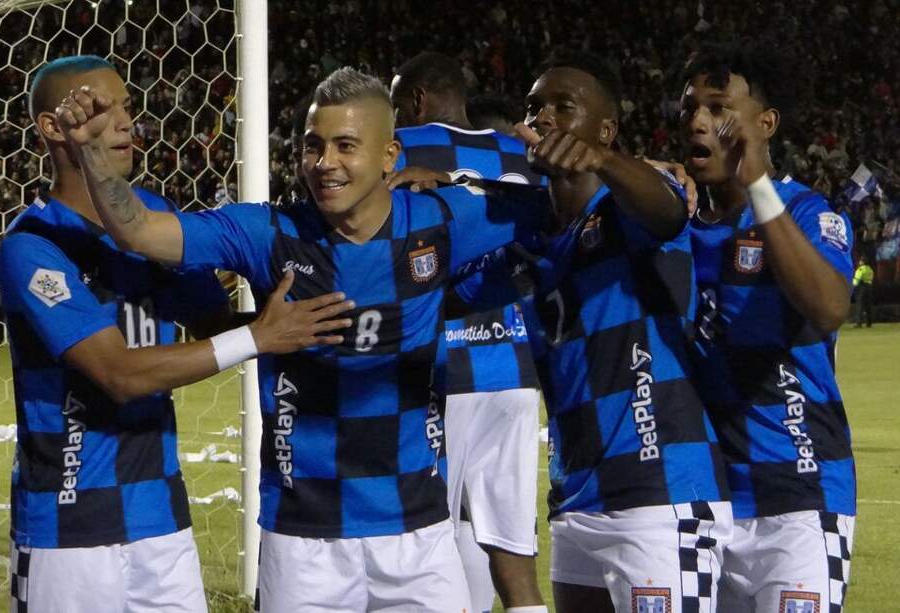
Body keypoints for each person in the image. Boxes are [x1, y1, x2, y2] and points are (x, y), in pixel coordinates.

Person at [57, 66, 553, 613]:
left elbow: (561, 201)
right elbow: (138, 230)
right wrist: (93, 158)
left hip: (416, 533)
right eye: (313, 146)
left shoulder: (441, 219)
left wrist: (613, 165)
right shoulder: (269, 233)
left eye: (345, 146)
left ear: (390, 156)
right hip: (302, 538)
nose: (325, 163)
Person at [0, 55, 354, 613]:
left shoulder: (154, 220)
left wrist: (319, 321)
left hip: (161, 517)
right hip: (68, 526)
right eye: (99, 107)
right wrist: (260, 337)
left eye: (126, 107)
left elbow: (216, 325)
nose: (123, 122)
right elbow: (118, 374)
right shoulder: (32, 246)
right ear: (51, 126)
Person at [443, 52, 732, 613]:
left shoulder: (630, 210)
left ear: (606, 129)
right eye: (534, 106)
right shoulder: (528, 239)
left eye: (562, 106)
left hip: (660, 496)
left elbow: (668, 211)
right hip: (576, 502)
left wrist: (604, 161)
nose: (543, 116)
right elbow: (450, 291)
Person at [678, 43, 856, 613]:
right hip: (705, 504)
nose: (699, 122)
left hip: (800, 499)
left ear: (765, 124)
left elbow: (829, 306)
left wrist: (758, 189)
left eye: (717, 107)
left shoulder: (806, 211)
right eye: (688, 109)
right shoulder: (674, 229)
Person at [391, 51, 546, 613]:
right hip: (511, 368)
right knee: (508, 541)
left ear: (415, 100)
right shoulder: (517, 154)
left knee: (427, 539)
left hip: (435, 370)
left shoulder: (399, 148)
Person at [852, 254, 874, 327]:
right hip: (869, 287)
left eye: (860, 260)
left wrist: (853, 285)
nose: (859, 262)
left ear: (863, 262)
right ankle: (869, 322)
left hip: (862, 287)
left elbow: (857, 279)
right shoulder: (870, 269)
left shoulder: (860, 269)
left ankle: (859, 323)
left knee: (860, 305)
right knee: (868, 305)